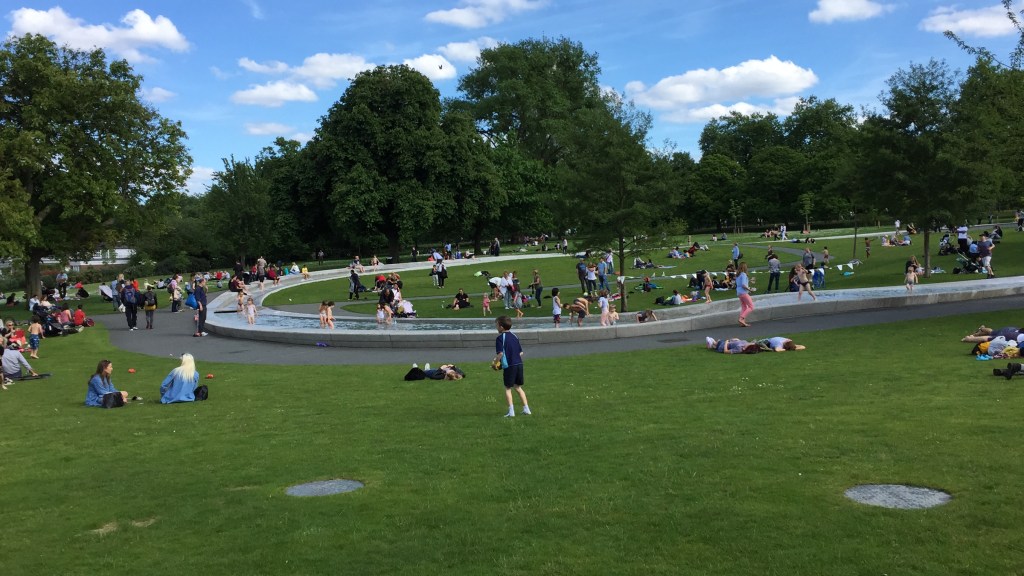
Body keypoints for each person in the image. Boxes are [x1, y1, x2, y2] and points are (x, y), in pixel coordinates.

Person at [494, 316, 530, 418]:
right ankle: (526, 409)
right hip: (519, 364)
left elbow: (500, 354)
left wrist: (495, 363)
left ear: (501, 327)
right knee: (518, 387)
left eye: (496, 325)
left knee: (507, 388)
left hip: (509, 366)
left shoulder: (500, 338)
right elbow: (521, 352)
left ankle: (511, 412)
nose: (496, 327)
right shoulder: (515, 336)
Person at [736, 261, 755, 327]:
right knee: (751, 307)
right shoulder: (743, 274)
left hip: (739, 293)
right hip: (743, 292)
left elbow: (740, 284)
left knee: (744, 307)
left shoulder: (738, 275)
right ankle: (741, 318)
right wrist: (750, 289)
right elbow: (743, 285)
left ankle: (742, 322)